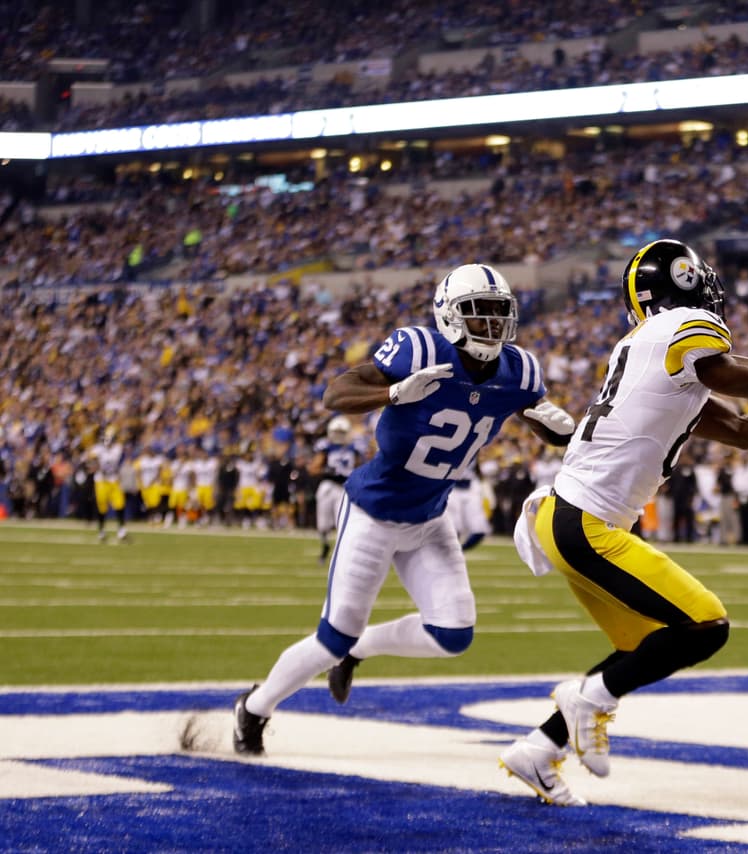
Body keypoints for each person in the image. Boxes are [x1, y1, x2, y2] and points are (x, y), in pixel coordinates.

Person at [498, 239, 748, 806]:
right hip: (586, 522)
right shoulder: (684, 327)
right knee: (705, 626)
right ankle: (588, 701)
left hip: (567, 519)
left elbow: (742, 432)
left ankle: (539, 750)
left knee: (646, 646)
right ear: (684, 283)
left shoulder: (651, 354)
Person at [232, 263, 576, 756]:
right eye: (480, 315)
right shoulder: (418, 349)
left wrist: (557, 432)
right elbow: (336, 392)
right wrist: (392, 392)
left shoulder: (519, 371)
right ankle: (255, 707)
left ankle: (360, 648)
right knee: (331, 637)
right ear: (451, 317)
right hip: (373, 510)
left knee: (453, 633)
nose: (493, 326)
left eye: (500, 314)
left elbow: (533, 417)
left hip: (431, 517)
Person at [314, 415, 361, 563]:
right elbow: (314, 468)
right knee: (322, 524)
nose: (339, 436)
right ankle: (325, 545)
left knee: (342, 523)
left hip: (344, 488)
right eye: (337, 432)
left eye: (342, 432)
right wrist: (326, 471)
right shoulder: (325, 447)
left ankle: (341, 553)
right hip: (328, 486)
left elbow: (360, 467)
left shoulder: (355, 447)